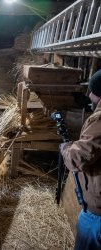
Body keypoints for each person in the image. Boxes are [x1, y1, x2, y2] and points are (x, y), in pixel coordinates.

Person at [61, 69, 101, 250]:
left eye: (92, 90)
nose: (89, 95)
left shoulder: (100, 121)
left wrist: (66, 149)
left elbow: (77, 160)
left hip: (97, 214)